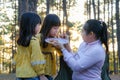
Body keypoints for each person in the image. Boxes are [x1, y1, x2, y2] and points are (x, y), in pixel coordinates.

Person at [37, 14, 72, 80]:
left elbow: (62, 54)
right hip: (40, 73)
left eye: (58, 28)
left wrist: (63, 44)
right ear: (47, 27)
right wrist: (40, 75)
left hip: (49, 73)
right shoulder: (38, 38)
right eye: (54, 28)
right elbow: (35, 57)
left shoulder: (54, 39)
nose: (57, 30)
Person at [13, 12, 47, 80]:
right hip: (31, 75)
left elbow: (18, 58)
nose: (40, 27)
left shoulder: (20, 41)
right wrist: (41, 75)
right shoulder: (34, 41)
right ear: (32, 25)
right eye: (38, 24)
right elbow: (37, 59)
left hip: (20, 74)